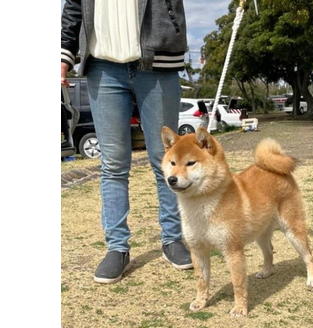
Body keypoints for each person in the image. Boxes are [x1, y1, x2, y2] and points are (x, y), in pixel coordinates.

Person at [61, 0, 192, 284]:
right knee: (113, 165)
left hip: (158, 62)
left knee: (167, 162)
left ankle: (173, 239)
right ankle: (117, 247)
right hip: (102, 68)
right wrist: (64, 55)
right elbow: (74, 7)